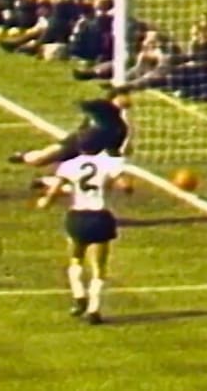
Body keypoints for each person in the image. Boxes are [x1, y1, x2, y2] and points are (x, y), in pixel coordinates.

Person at [35, 129, 124, 324]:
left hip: (78, 216)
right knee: (99, 267)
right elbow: (125, 186)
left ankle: (78, 295)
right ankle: (94, 309)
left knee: (75, 260)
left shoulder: (69, 165)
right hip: (100, 216)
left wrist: (45, 202)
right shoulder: (109, 163)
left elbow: (54, 191)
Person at [8, 88, 132, 168]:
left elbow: (113, 149)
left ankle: (45, 183)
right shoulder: (102, 106)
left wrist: (119, 161)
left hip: (90, 153)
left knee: (73, 175)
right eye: (125, 95)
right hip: (76, 141)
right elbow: (82, 104)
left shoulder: (120, 127)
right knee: (41, 160)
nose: (129, 98)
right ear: (116, 97)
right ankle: (24, 156)